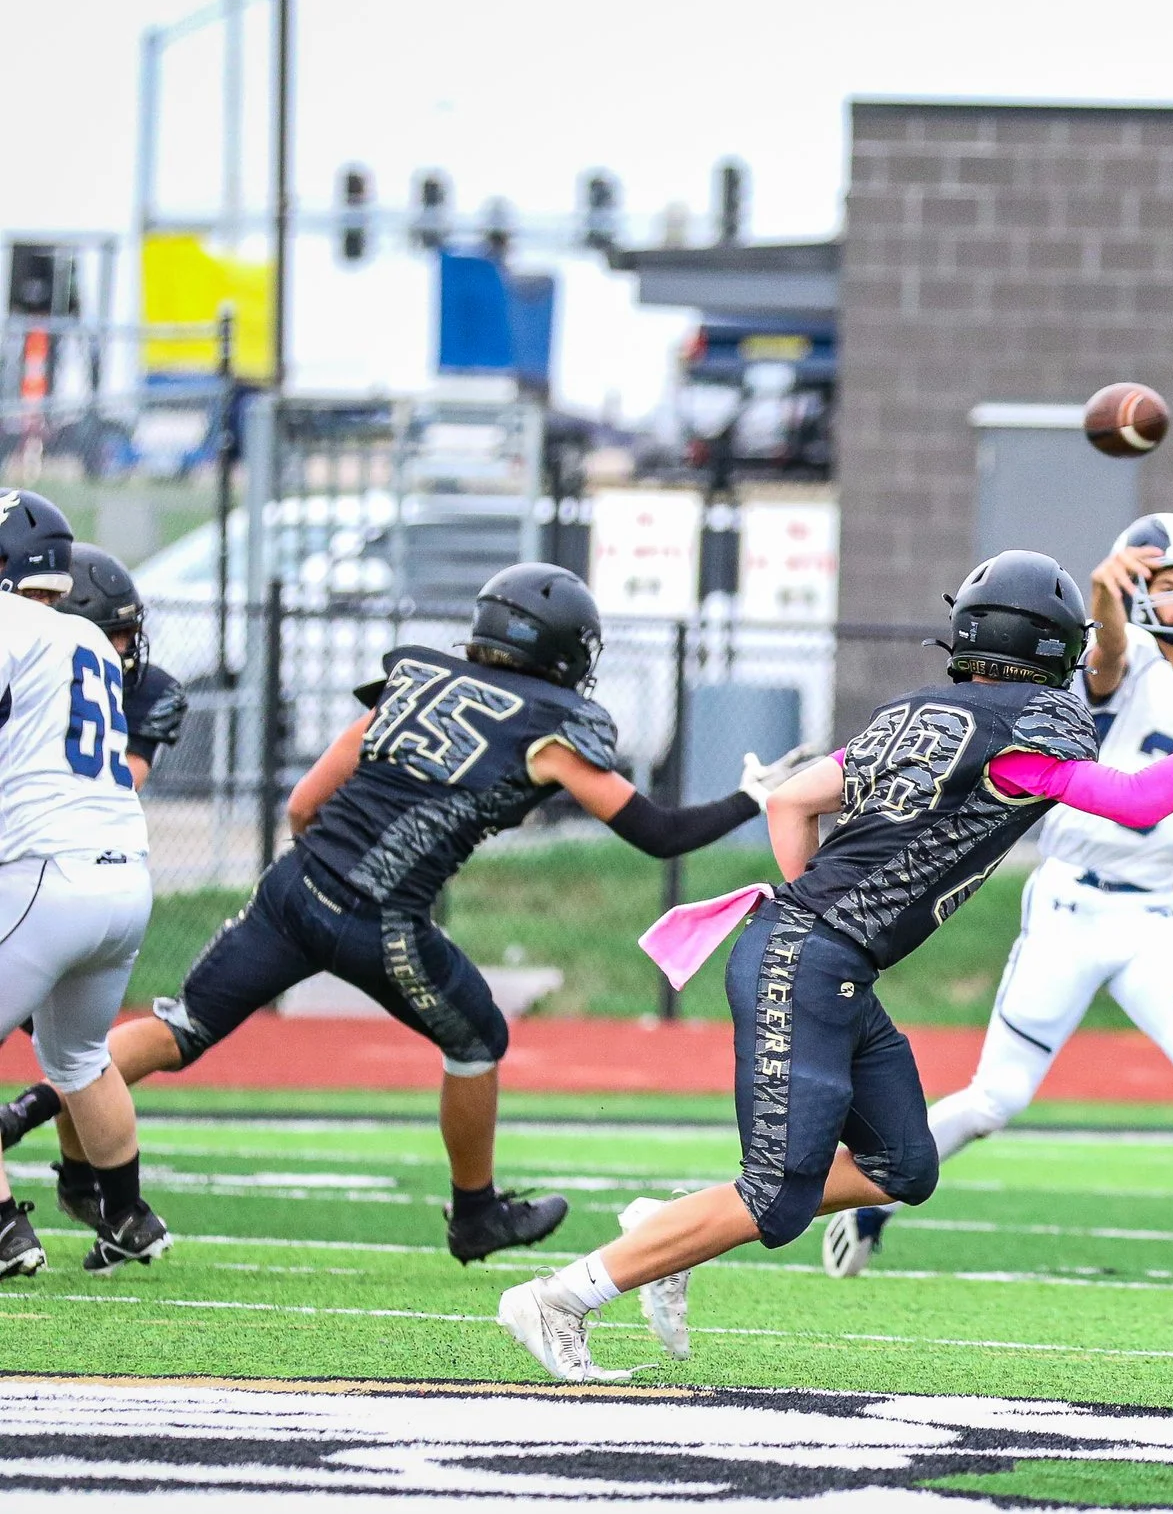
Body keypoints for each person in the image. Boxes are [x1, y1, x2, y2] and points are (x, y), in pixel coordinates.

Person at [497, 550, 1173, 1381]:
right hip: (810, 956)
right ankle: (560, 1297)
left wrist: (821, 917)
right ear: (1050, 647)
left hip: (820, 955)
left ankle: (671, 1230)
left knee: (904, 1165)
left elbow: (792, 800)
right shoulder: (1021, 745)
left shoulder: (917, 714)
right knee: (775, 1198)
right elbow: (1145, 802)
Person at [0, 563, 770, 1263]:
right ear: (563, 649)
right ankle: (476, 1213)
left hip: (293, 886)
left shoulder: (414, 680)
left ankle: (27, 1109)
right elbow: (657, 831)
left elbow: (306, 802)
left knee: (178, 1030)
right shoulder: (550, 729)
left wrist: (322, 876)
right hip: (379, 915)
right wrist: (754, 797)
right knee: (478, 1037)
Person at [823, 515, 1173, 1298]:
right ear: (1139, 590)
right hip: (1072, 904)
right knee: (997, 1099)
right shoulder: (1127, 660)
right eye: (1170, 584)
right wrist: (1104, 590)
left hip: (1155, 916)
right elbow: (1110, 652)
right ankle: (875, 1199)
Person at [0, 489, 161, 1275]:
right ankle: (127, 1213)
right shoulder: (89, 638)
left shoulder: (9, 622)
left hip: (47, 871)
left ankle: (4, 1229)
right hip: (125, 875)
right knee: (80, 1057)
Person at [56, 543, 187, 789]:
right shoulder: (30, 675)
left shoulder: (146, 688)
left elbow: (126, 785)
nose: (122, 647)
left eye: (129, 632)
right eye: (112, 635)